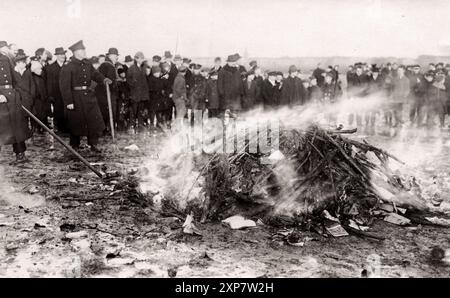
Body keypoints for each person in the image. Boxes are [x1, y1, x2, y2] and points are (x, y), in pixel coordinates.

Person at [59, 40, 112, 152]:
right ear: (76, 52)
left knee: (93, 120)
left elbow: (95, 74)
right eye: (82, 50)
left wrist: (103, 79)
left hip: (89, 96)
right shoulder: (68, 66)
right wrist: (69, 102)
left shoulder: (87, 63)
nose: (84, 52)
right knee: (75, 122)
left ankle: (93, 144)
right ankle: (75, 145)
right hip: (76, 97)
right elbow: (64, 86)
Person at [0, 41, 33, 163]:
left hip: (12, 96)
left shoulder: (5, 58)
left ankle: (20, 154)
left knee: (17, 126)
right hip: (0, 98)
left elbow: (14, 78)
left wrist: (18, 93)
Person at [96, 47, 120, 134]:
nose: (116, 57)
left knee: (105, 111)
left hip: (104, 93)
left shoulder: (106, 65)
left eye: (117, 55)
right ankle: (106, 129)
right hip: (107, 93)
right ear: (110, 56)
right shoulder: (108, 65)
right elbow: (110, 81)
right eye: (115, 55)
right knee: (108, 112)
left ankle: (106, 129)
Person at [46, 47, 68, 134]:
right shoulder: (51, 68)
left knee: (68, 111)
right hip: (57, 94)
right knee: (58, 111)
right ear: (57, 56)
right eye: (61, 54)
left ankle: (67, 129)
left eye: (64, 54)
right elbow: (49, 83)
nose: (63, 56)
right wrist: (50, 95)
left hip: (67, 93)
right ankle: (59, 129)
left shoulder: (68, 66)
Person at [126, 51, 149, 131]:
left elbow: (146, 81)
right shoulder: (131, 68)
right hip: (135, 94)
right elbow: (128, 81)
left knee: (140, 110)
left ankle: (140, 124)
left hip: (142, 95)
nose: (142, 60)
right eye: (140, 58)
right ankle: (132, 125)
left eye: (142, 58)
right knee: (133, 111)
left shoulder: (144, 68)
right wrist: (134, 86)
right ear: (136, 59)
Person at [30, 57, 50, 132]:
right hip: (37, 99)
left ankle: (41, 127)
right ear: (34, 69)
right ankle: (37, 127)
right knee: (37, 114)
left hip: (42, 99)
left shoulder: (40, 78)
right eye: (39, 69)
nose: (41, 70)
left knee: (42, 113)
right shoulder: (33, 78)